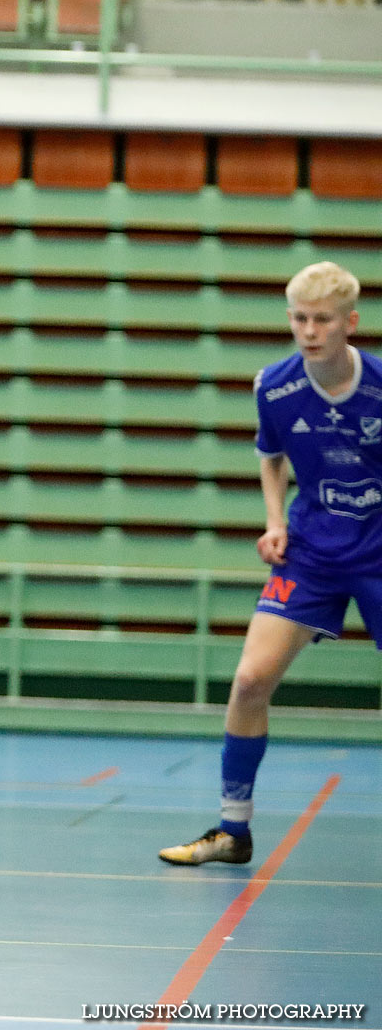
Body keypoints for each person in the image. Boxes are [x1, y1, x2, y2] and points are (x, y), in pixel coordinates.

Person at [161, 262, 382, 866]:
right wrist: (275, 521)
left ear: (350, 324)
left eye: (323, 320)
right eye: (300, 319)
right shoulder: (274, 387)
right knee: (250, 681)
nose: (310, 331)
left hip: (379, 548)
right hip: (312, 550)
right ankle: (233, 830)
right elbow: (271, 455)